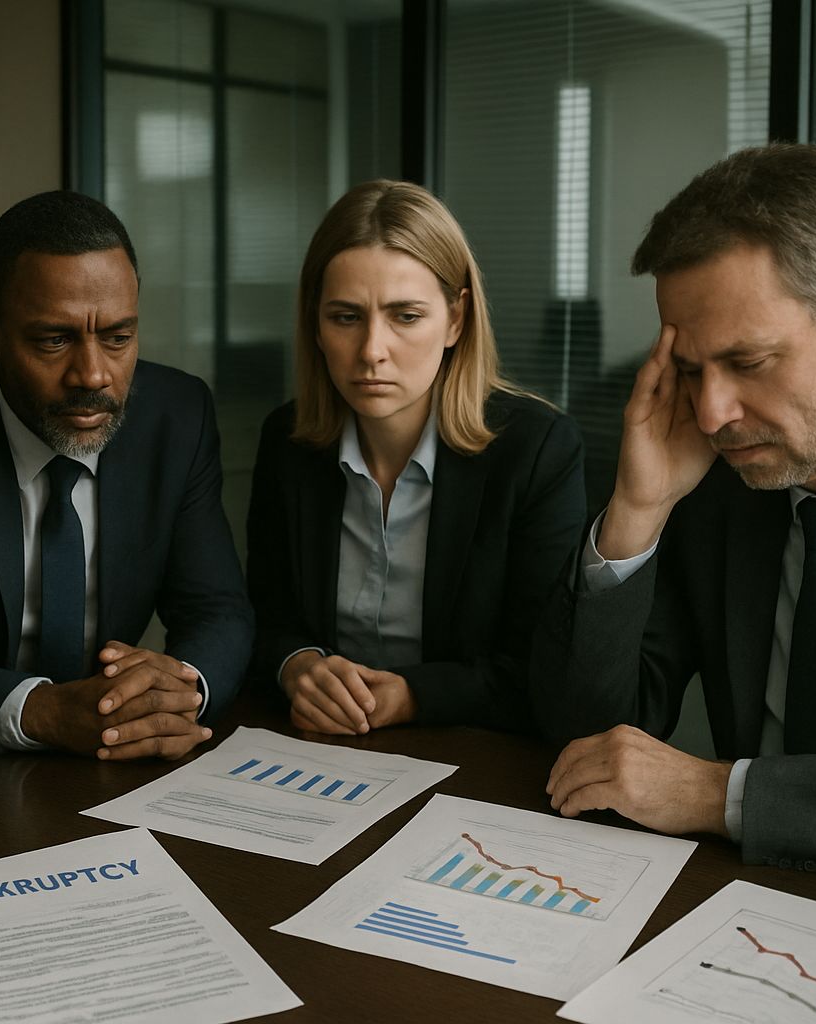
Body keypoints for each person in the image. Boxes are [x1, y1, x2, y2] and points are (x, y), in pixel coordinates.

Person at [533, 143, 816, 892]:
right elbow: (585, 741)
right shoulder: (716, 473)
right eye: (689, 370)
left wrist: (720, 794)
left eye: (747, 363)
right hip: (745, 906)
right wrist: (638, 509)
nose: (714, 413)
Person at [0, 190, 252, 761]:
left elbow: (216, 607)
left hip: (118, 761)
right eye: (55, 339)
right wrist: (40, 711)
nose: (92, 374)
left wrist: (182, 689)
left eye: (119, 338)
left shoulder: (178, 415)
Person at [246, 180, 585, 735]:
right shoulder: (288, 442)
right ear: (315, 322)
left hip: (472, 762)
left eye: (406, 316)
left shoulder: (537, 450)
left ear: (456, 319)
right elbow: (261, 621)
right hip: (320, 755)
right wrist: (296, 667)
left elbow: (542, 671)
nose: (372, 350)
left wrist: (413, 697)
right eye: (346, 317)